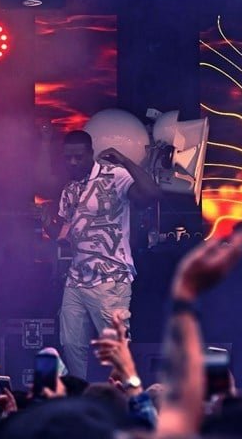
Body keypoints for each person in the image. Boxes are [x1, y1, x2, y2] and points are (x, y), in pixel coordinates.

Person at [54, 129, 160, 378]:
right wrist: (48, 223)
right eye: (68, 157)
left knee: (115, 350)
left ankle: (124, 396)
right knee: (71, 344)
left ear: (91, 153)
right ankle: (79, 395)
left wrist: (125, 160)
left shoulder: (114, 175)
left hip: (110, 279)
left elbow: (152, 194)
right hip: (76, 279)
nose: (72, 162)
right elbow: (65, 236)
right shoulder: (69, 189)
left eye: (78, 157)